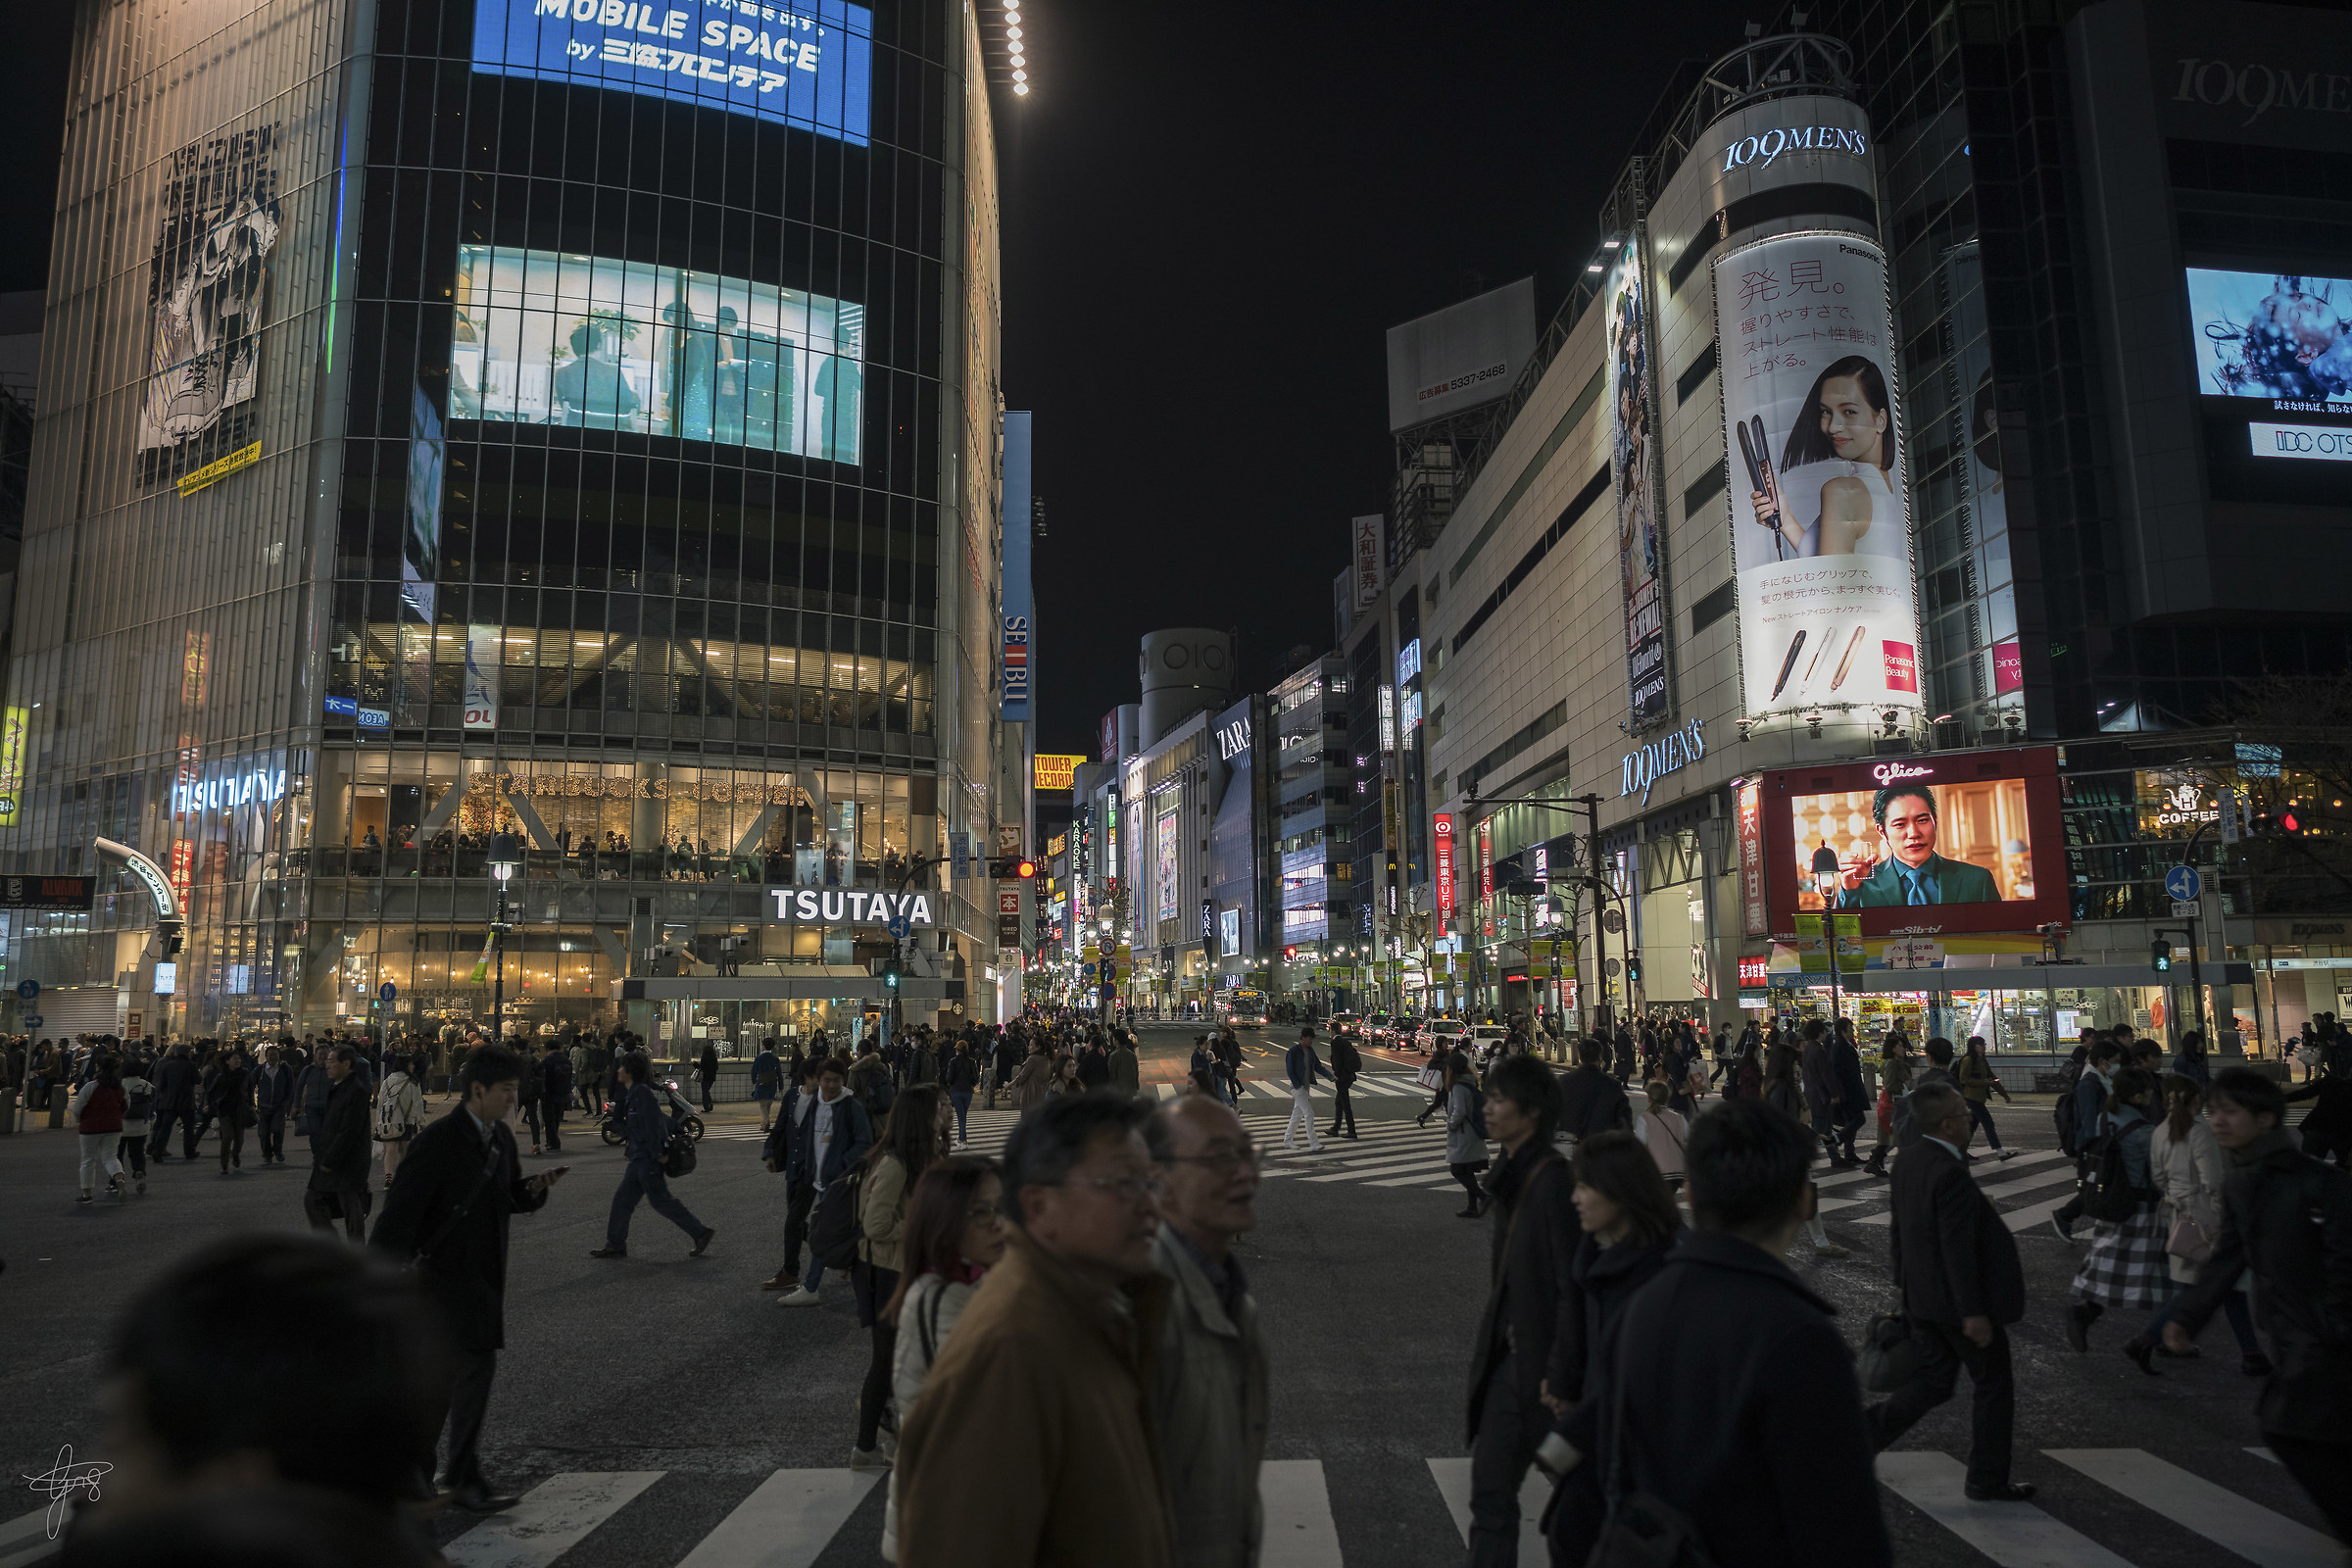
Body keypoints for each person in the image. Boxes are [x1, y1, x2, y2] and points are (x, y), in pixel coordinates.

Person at [1544, 1098, 1893, 1568]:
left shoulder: (1643, 1300)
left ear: (1690, 1192)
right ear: (1802, 1200)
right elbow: (1841, 1531)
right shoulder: (1800, 1337)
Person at [893, 1093, 1174, 1568]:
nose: (1152, 1205)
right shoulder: (1011, 1350)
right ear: (1039, 1206)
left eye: (1152, 1182)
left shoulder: (1087, 1312)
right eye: (1123, 1184)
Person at [74, 1234, 448, 1562]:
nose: (95, 1471)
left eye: (125, 1439)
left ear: (239, 1485)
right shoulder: (389, 1535)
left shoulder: (126, 1543)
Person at [370, 1043, 565, 1513]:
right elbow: (399, 1216)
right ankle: (422, 1475)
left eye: (515, 1089)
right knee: (436, 1388)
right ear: (477, 1090)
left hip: (481, 1281)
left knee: (470, 1380)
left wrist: (533, 1190)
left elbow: (505, 1198)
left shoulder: (500, 1140)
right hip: (436, 1284)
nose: (513, 1099)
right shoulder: (438, 1141)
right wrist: (376, 1282)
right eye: (506, 1090)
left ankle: (456, 1474)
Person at [2163, 1067, 2352, 1543]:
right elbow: (2229, 1257)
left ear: (2265, 1119)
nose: (2217, 1121)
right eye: (2213, 1111)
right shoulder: (2243, 1181)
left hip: (2325, 1336)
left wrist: (2333, 1322)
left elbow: (2344, 1261)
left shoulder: (2320, 1182)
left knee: (2290, 1430)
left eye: (2230, 1111)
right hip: (2294, 1332)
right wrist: (2187, 1318)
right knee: (2306, 1433)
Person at [1863, 1083, 2034, 1500]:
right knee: (1993, 1384)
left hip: (1923, 1297)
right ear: (1946, 1125)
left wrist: (1905, 1287)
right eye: (1961, 1114)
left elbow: (1899, 1231)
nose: (1968, 1119)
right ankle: (1986, 1478)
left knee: (1935, 1382)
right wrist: (1973, 1312)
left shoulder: (1909, 1159)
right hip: (1957, 1305)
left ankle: (1861, 1436)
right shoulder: (1949, 1171)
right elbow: (1957, 1248)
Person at [1539, 1128, 1684, 1559]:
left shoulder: (1661, 1276)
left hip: (1640, 1466)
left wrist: (1574, 1429)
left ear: (1621, 1191)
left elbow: (1645, 1383)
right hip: (1600, 1450)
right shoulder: (1596, 1258)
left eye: (1585, 1187)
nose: (1575, 1198)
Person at [1144, 1094, 1269, 1568]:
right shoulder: (1143, 1309)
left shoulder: (1234, 1301)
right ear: (1161, 1182)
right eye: (1219, 1159)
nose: (1245, 1174)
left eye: (1247, 1154)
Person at [1462, 1054, 1572, 1568]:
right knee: (1492, 1489)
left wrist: (1561, 1374)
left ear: (1531, 1112)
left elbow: (1572, 1285)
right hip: (1516, 1358)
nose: (1488, 1108)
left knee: (1576, 1495)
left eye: (1499, 1100)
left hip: (1541, 1370)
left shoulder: (1550, 1183)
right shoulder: (1514, 1175)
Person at [879, 1155, 1007, 1564]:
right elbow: (991, 1406)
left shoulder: (975, 1279)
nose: (999, 1223)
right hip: (946, 1524)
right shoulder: (944, 1299)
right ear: (945, 1222)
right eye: (981, 1212)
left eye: (1003, 1207)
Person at [2122, 1075, 2267, 1375]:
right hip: (2206, 1217)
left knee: (2219, 1285)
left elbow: (2158, 1177)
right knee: (2211, 1286)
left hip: (2180, 1218)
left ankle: (2251, 1353)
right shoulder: (2199, 1131)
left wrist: (2177, 1197)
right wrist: (2221, 1217)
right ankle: (2146, 1339)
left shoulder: (2160, 1131)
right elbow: (2212, 1180)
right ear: (2194, 1099)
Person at [851, 1084, 947, 1469]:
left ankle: (886, 1437)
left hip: (901, 1268)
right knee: (889, 1358)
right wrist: (921, 1230)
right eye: (937, 1109)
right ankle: (869, 1444)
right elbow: (875, 1224)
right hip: (885, 1272)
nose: (944, 1114)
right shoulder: (895, 1163)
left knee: (901, 1358)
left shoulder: (920, 1156)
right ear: (920, 1118)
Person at [2065, 1066, 2168, 1351]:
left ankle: (2088, 1310)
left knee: (2108, 1261)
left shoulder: (2105, 1118)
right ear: (2138, 1096)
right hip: (2141, 1206)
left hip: (2111, 1198)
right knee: (2163, 1273)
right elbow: (2159, 1173)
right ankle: (2164, 1336)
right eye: (2149, 1091)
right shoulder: (2145, 1132)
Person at [591, 1050, 715, 1260]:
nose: (618, 1070)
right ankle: (615, 1244)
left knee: (661, 1201)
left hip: (647, 1158)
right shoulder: (633, 1092)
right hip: (638, 1157)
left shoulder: (641, 1093)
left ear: (630, 1071)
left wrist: (659, 1153)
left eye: (621, 1067)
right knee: (623, 1200)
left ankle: (700, 1232)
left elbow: (653, 1124)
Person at [777, 1055, 875, 1307]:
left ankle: (811, 1287)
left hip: (841, 1182)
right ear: (819, 1080)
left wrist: (840, 1165)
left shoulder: (851, 1107)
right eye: (827, 1080)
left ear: (844, 1080)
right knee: (846, 1230)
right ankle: (860, 1268)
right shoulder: (814, 1104)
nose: (831, 1085)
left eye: (837, 1080)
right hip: (819, 1179)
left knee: (823, 1233)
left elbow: (865, 1143)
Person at [1828, 782, 2000, 907]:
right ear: (1882, 831)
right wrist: (1849, 891)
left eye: (1922, 820)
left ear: (1935, 821)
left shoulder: (1977, 879)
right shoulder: (1864, 883)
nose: (1914, 833)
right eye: (1900, 824)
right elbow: (1842, 939)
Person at [2048, 1037, 2126, 1237]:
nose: (2118, 1065)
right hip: (2094, 1145)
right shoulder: (2089, 1084)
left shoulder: (2102, 1080)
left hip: (2103, 1142)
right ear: (2102, 1061)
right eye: (2115, 1061)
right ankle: (2065, 1216)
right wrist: (2097, 1148)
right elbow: (2089, 1120)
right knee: (2096, 1187)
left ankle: (2066, 1216)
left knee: (2098, 1186)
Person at [761, 1058, 826, 1292]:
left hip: (812, 1169)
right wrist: (770, 1152)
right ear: (807, 1077)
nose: (823, 1082)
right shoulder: (792, 1097)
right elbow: (780, 1127)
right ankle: (836, 1250)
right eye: (818, 1077)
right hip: (793, 1166)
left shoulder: (824, 1101)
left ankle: (790, 1272)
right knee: (796, 1221)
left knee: (793, 1221)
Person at [305, 1046, 373, 1241]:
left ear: (346, 1064)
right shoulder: (338, 1087)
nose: (327, 1065)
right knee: (314, 1199)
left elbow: (349, 1130)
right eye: (327, 1061)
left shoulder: (356, 1091)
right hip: (333, 1157)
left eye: (332, 1061)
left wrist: (330, 1160)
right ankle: (331, 1246)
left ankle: (353, 1252)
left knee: (350, 1206)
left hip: (348, 1161)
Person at [71, 1058, 129, 1202]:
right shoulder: (120, 1087)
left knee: (88, 1160)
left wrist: (80, 1119)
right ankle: (118, 1179)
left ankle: (87, 1194)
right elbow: (126, 1105)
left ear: (98, 1068)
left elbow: (78, 1108)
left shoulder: (90, 1086)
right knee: (111, 1156)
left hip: (90, 1127)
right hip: (114, 1126)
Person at [1956, 1036, 2019, 1160]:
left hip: (1978, 1098)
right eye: (1981, 1044)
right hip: (1970, 1098)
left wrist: (2004, 1094)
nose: (1984, 1047)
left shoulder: (1981, 1060)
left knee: (1971, 1125)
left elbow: (1992, 1078)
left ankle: (1961, 1152)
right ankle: (2000, 1153)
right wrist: (1983, 1082)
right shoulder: (1968, 1060)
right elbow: (1964, 1079)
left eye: (1984, 1044)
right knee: (1988, 1123)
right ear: (1974, 1046)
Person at [1557, 1039, 1631, 1144]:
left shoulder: (1564, 1082)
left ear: (1580, 1056)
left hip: (1571, 1144)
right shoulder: (1612, 1085)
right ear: (1600, 1056)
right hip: (1602, 1145)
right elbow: (1624, 1121)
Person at [1445, 1054, 1491, 1217]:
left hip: (1464, 1134)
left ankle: (1484, 1197)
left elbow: (1460, 1111)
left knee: (1457, 1170)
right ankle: (1472, 1207)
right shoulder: (1470, 1082)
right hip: (1472, 1134)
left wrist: (1451, 1124)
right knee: (1467, 1171)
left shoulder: (1458, 1086)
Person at [374, 1052, 425, 1182]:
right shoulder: (413, 1082)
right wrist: (421, 1121)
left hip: (389, 1120)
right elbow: (418, 1103)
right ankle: (402, 1176)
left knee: (390, 1150)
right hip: (407, 1121)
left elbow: (381, 1104)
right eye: (411, 1064)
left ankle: (388, 1178)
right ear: (405, 1065)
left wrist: (378, 1123)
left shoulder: (387, 1081)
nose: (413, 1066)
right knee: (404, 1149)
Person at [1631, 1079, 1688, 1187]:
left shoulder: (1645, 1118)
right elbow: (1688, 1140)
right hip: (1678, 1171)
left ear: (1649, 1097)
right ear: (1667, 1097)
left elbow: (1640, 1146)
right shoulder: (1679, 1118)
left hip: (1657, 1171)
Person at [148, 1043, 199, 1161]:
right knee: (188, 1128)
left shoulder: (168, 1065)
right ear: (188, 1053)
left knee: (165, 1127)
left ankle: (157, 1150)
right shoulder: (191, 1065)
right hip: (186, 1100)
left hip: (170, 1100)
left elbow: (162, 1084)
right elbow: (197, 1079)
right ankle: (189, 1151)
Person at [1281, 1026, 1326, 1154]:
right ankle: (1313, 1142)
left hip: (1305, 1087)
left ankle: (1287, 1140)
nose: (1311, 1041)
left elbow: (1318, 1066)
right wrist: (1297, 1085)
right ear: (1303, 1038)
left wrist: (1330, 1077)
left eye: (1312, 1039)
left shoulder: (1310, 1051)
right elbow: (1290, 1070)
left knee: (1297, 1115)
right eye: (1309, 1038)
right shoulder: (1293, 1051)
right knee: (1309, 1114)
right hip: (1298, 1087)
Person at [115, 1054, 153, 1195]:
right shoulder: (147, 1085)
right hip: (140, 1126)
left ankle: (116, 1181)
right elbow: (152, 1105)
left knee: (117, 1154)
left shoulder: (118, 1085)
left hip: (120, 1126)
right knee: (137, 1152)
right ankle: (139, 1172)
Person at [253, 1045, 294, 1166]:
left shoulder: (286, 1069)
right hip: (263, 1107)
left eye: (275, 1055)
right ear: (266, 1057)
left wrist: (286, 1102)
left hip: (279, 1107)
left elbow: (290, 1087)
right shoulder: (259, 1070)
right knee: (263, 1133)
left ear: (279, 1056)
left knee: (278, 1130)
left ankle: (278, 1151)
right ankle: (267, 1155)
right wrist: (252, 1103)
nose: (272, 1057)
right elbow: (250, 1085)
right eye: (270, 1055)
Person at [1327, 1023, 1362, 1140]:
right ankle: (1335, 1128)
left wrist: (1336, 1075)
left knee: (1345, 1104)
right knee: (1339, 1102)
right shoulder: (1345, 1041)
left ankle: (1351, 1130)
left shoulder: (1335, 1042)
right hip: (1349, 1075)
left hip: (1342, 1077)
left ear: (1332, 1031)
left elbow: (1338, 1062)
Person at [536, 1040, 571, 1153]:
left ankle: (553, 1143)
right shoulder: (567, 1060)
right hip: (563, 1093)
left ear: (547, 1048)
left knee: (549, 1119)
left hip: (549, 1093)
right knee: (556, 1118)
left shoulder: (547, 1061)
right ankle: (552, 1141)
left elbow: (542, 1077)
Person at [944, 1038, 980, 1145]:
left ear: (958, 1050)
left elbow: (949, 1078)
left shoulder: (953, 1061)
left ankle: (963, 1139)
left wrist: (951, 1084)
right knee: (963, 1114)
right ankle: (961, 1138)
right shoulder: (972, 1061)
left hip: (956, 1091)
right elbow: (976, 1077)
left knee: (961, 1116)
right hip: (968, 1091)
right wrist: (971, 1084)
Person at [752, 1038, 782, 1133]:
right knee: (768, 1104)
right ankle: (763, 1123)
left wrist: (753, 1081)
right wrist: (781, 1086)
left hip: (762, 1083)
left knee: (763, 1105)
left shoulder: (759, 1058)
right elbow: (779, 1073)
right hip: (773, 1084)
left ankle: (766, 1122)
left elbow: (753, 1071)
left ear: (763, 1046)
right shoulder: (775, 1059)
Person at [698, 1041, 719, 1112]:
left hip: (705, 1077)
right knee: (706, 1091)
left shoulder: (704, 1057)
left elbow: (702, 1066)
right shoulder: (714, 1057)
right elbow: (716, 1067)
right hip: (712, 1077)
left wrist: (695, 1065)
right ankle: (709, 1105)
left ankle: (706, 1107)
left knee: (705, 1092)